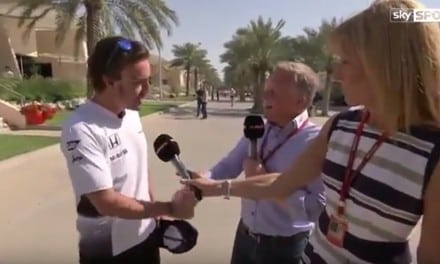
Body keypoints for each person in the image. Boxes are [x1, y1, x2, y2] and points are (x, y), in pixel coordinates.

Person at [182, 1, 440, 263]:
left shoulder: (433, 152)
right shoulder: (341, 124)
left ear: (386, 66)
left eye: (346, 61)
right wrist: (213, 187)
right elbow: (282, 183)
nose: (336, 73)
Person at [60, 36, 198, 264]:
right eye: (137, 82)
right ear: (109, 81)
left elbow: (140, 170)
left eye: (148, 80)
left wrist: (158, 215)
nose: (146, 90)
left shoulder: (132, 115)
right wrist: (170, 208)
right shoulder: (81, 129)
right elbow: (106, 202)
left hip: (147, 238)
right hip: (109, 252)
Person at [194, 61, 325, 264]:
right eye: (265, 90)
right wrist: (205, 178)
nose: (264, 97)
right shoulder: (257, 129)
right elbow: (229, 165)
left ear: (301, 101)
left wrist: (262, 181)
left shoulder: (318, 142)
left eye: (273, 92)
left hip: (285, 248)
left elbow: (314, 208)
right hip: (245, 237)